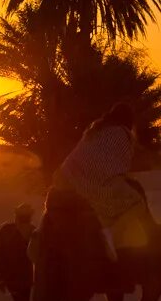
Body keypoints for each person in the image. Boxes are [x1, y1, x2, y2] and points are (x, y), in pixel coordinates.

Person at [54, 103, 153, 256]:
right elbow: (121, 166)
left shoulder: (95, 129)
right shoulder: (123, 134)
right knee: (137, 202)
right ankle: (112, 235)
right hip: (93, 184)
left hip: (66, 176)